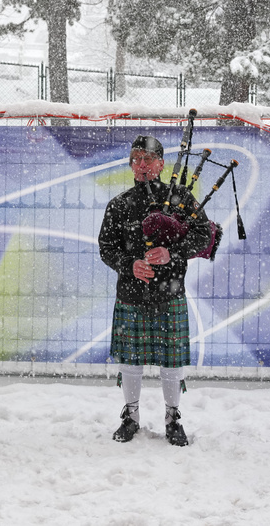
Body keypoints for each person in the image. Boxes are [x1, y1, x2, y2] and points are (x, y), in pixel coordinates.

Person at [97, 135, 211, 446]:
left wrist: (173, 254)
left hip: (168, 293)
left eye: (148, 159)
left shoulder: (181, 200)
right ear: (131, 164)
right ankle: (131, 417)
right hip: (131, 294)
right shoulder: (119, 205)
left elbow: (205, 236)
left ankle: (173, 418)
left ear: (161, 164)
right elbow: (106, 248)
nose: (142, 165)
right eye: (136, 159)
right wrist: (129, 264)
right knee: (131, 360)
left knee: (171, 361)